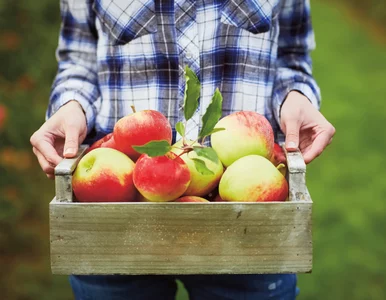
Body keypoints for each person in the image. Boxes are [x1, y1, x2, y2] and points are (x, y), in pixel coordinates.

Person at [30, 0, 335, 299]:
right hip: (116, 214)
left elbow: (291, 54)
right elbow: (79, 60)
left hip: (248, 223)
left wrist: (296, 94)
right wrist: (72, 104)